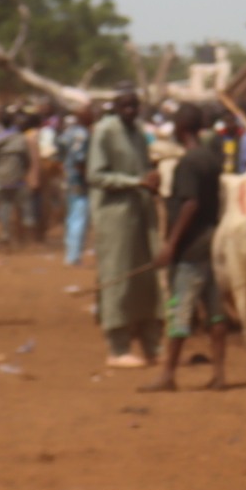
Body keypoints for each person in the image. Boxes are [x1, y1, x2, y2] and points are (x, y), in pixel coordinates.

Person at [141, 104, 229, 393]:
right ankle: (219, 373)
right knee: (215, 310)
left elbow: (190, 204)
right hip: (212, 240)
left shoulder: (188, 163)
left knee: (179, 309)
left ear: (180, 129)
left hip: (190, 246)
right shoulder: (211, 158)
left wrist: (171, 244)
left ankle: (167, 375)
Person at [87, 87, 163, 368]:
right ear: (115, 107)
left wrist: (151, 179)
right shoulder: (105, 131)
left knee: (146, 280)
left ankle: (151, 345)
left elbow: (142, 167)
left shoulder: (138, 131)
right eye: (125, 106)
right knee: (118, 278)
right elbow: (95, 175)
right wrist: (135, 182)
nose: (131, 111)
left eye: (134, 106)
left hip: (141, 212)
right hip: (115, 216)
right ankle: (118, 348)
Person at [0, 115, 32, 251]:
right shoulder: (20, 139)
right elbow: (27, 160)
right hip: (16, 177)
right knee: (21, 205)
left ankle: (5, 232)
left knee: (4, 205)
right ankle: (23, 233)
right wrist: (24, 171)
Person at [58, 104, 94, 265]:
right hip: (80, 181)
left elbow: (60, 152)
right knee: (79, 217)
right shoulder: (83, 134)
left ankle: (70, 253)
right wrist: (88, 178)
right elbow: (80, 160)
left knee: (71, 216)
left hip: (68, 178)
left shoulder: (68, 132)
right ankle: (73, 256)